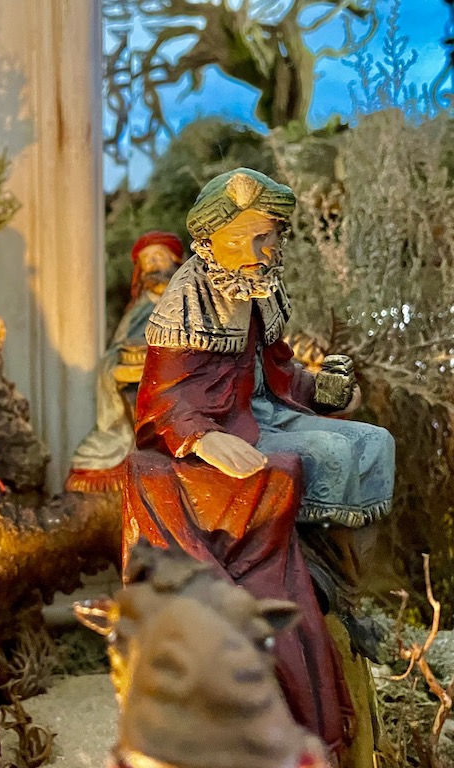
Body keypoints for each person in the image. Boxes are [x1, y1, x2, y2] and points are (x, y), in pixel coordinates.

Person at [125, 167, 395, 761]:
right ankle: (313, 582)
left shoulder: (257, 287)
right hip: (224, 429)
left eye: (273, 236)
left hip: (269, 412)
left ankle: (347, 592)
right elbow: (161, 402)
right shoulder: (187, 301)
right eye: (254, 237)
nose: (267, 249)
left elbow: (277, 371)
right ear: (209, 240)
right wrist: (200, 438)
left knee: (374, 442)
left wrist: (321, 388)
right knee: (321, 456)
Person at [67, 232, 183, 491]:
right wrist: (117, 363)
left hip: (179, 387)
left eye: (159, 256)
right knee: (91, 454)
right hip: (135, 382)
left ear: (176, 260)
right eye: (147, 260)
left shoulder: (189, 300)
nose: (154, 264)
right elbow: (117, 349)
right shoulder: (139, 307)